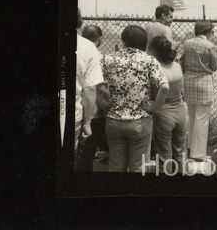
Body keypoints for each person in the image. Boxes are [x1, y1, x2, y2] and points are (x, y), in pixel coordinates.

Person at [102, 25, 169, 173]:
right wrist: (154, 108)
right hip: (139, 120)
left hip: (114, 119)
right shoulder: (149, 61)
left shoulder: (108, 59)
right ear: (144, 42)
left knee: (115, 165)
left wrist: (106, 104)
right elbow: (164, 87)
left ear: (123, 40)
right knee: (138, 167)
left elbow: (98, 86)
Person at [180, 22, 217, 163]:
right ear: (208, 32)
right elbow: (214, 67)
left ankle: (190, 148)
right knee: (202, 119)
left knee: (191, 117)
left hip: (189, 81)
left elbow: (181, 61)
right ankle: (199, 153)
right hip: (204, 82)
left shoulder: (187, 43)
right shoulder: (210, 46)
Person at [74, 10, 106, 173]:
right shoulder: (96, 54)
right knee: (84, 154)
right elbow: (94, 88)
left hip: (81, 109)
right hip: (90, 112)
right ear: (99, 39)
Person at [150, 35, 187, 172]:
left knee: (164, 154)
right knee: (180, 151)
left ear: (154, 51)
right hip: (180, 111)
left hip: (163, 113)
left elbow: (155, 92)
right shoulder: (177, 66)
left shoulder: (156, 70)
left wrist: (153, 108)